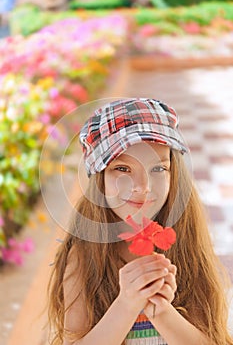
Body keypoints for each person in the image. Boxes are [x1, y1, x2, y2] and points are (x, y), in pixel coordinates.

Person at [48, 98, 233, 345]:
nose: (143, 188)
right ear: (100, 179)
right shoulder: (84, 256)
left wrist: (162, 311)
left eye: (157, 169)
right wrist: (127, 303)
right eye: (123, 169)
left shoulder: (187, 247)